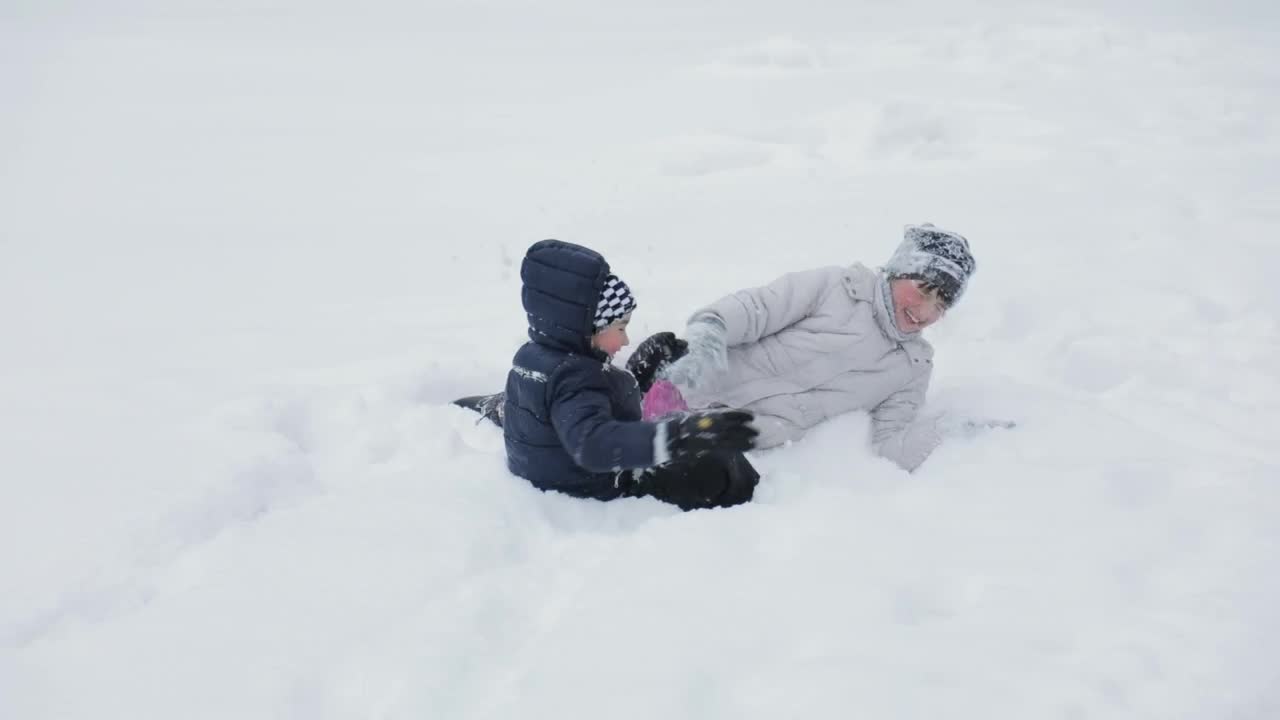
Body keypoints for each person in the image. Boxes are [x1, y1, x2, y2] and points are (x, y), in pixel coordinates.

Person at [660, 223, 1009, 471]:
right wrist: (710, 337)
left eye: (941, 304)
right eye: (922, 290)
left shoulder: (912, 367)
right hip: (695, 377)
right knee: (636, 390)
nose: (925, 312)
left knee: (689, 463)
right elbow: (757, 310)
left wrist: (944, 433)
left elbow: (889, 445)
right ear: (897, 272)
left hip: (736, 432)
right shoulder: (837, 289)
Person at [454, 239, 761, 510]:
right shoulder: (575, 380)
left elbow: (551, 407)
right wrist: (678, 437)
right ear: (588, 330)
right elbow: (594, 444)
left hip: (548, 461)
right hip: (590, 483)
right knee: (719, 465)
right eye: (620, 328)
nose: (625, 340)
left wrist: (641, 371)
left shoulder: (537, 359)